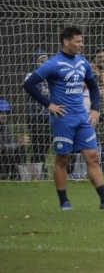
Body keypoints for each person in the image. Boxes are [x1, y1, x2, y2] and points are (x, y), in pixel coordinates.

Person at [23, 26, 104, 210]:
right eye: (78, 41)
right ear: (66, 42)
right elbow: (29, 84)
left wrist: (95, 109)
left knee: (93, 157)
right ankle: (64, 202)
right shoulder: (53, 64)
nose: (81, 44)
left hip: (82, 117)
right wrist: (49, 105)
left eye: (81, 40)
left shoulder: (83, 63)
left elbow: (93, 87)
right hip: (63, 118)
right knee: (63, 159)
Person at [24, 48, 52, 179]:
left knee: (47, 142)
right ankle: (36, 174)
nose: (43, 63)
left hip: (48, 116)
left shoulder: (51, 77)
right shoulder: (31, 75)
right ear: (36, 62)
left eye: (45, 60)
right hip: (35, 117)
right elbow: (33, 89)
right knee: (37, 144)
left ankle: (41, 166)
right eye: (41, 61)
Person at [0, 100, 30, 180]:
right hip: (2, 157)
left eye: (6, 113)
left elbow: (10, 142)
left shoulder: (5, 128)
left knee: (21, 147)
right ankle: (3, 174)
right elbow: (2, 147)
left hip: (6, 156)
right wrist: (17, 144)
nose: (4, 115)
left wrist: (19, 142)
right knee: (8, 149)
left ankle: (19, 175)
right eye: (1, 112)